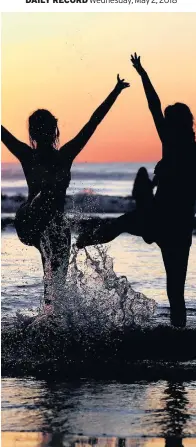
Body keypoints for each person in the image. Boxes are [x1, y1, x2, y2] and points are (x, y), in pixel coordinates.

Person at [77, 56, 196, 327]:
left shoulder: (193, 150)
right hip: (163, 219)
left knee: (175, 289)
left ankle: (178, 338)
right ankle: (81, 242)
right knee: (124, 227)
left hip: (171, 224)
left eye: (170, 122)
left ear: (182, 125)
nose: (166, 126)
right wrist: (143, 74)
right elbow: (155, 106)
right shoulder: (186, 148)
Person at [1, 75, 129, 309]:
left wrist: (115, 92)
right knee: (48, 196)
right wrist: (116, 90)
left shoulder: (63, 156)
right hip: (29, 220)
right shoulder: (29, 156)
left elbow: (94, 122)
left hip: (53, 227)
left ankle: (51, 320)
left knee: (54, 282)